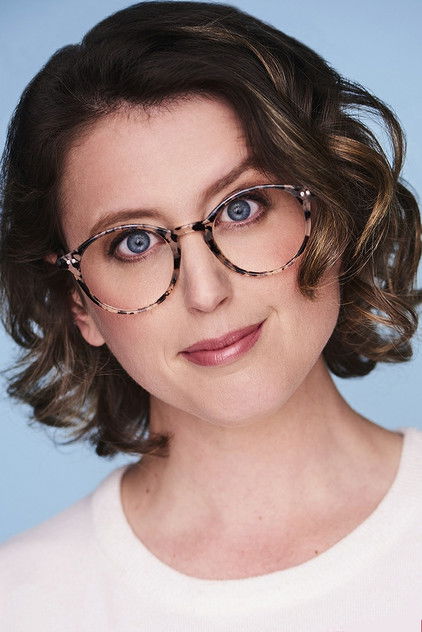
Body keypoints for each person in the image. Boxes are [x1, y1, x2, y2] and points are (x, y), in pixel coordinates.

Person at [0, 1, 421, 630]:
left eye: (241, 208)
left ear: (330, 213)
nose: (205, 291)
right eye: (134, 242)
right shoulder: (21, 604)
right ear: (78, 302)